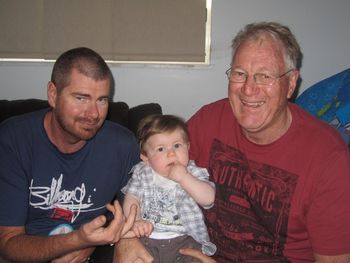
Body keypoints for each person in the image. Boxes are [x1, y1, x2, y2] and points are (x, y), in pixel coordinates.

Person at [115, 22, 350, 263]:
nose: (248, 89)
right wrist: (127, 239)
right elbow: (152, 174)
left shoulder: (329, 158)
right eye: (239, 74)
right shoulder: (209, 121)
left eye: (264, 76)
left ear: (290, 83)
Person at [0, 47, 149, 263]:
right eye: (81, 98)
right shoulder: (13, 141)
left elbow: (143, 204)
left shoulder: (122, 145)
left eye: (102, 100)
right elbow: (7, 243)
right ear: (53, 94)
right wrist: (77, 240)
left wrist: (115, 238)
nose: (94, 114)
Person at [122, 114, 216, 263]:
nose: (171, 153)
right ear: (146, 158)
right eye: (161, 149)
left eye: (177, 145)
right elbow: (132, 198)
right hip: (147, 239)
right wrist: (136, 221)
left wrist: (184, 178)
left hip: (185, 240)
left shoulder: (193, 172)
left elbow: (208, 199)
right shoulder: (143, 173)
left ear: (188, 147)